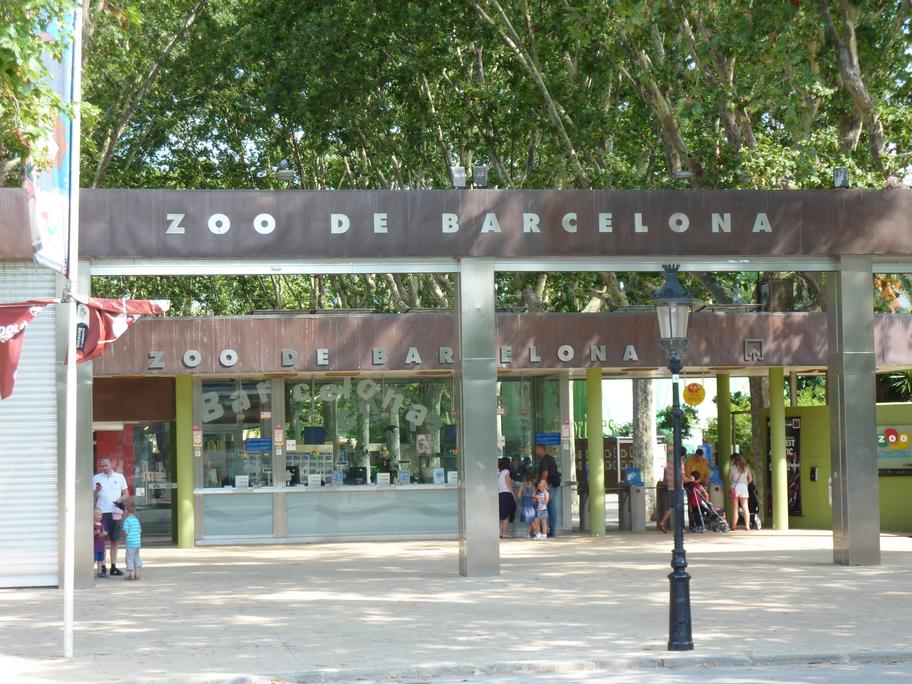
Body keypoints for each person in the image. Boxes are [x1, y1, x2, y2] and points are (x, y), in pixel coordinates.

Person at [92, 457, 129, 576]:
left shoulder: (119, 477)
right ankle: (102, 566)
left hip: (116, 511)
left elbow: (126, 494)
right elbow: (91, 497)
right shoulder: (96, 478)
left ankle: (113, 567)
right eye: (102, 466)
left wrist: (120, 499)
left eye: (106, 465)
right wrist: (96, 491)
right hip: (102, 513)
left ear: (111, 464)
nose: (104, 468)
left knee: (115, 540)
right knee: (101, 540)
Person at [658, 455, 693, 533]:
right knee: (680, 508)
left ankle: (662, 523)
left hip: (671, 487)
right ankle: (681, 528)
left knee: (672, 507)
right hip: (678, 488)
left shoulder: (670, 460)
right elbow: (683, 477)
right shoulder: (680, 463)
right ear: (683, 455)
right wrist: (691, 479)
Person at [535, 444, 560, 538]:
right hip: (552, 484)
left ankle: (548, 530)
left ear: (542, 449)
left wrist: (541, 484)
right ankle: (549, 530)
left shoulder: (545, 459)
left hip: (549, 485)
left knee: (547, 506)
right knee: (549, 506)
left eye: (537, 450)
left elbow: (545, 473)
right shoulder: (549, 458)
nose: (536, 452)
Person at [729, 451, 753, 531]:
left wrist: (734, 482)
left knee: (735, 508)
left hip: (734, 488)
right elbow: (750, 479)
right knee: (745, 507)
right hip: (743, 488)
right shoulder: (746, 467)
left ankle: (734, 526)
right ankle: (747, 526)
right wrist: (745, 483)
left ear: (733, 460)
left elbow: (730, 479)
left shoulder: (732, 468)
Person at [121, 500, 143, 581]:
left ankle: (131, 574)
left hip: (130, 543)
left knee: (129, 558)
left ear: (126, 511)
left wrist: (124, 535)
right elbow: (140, 531)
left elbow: (126, 533)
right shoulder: (136, 520)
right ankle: (137, 574)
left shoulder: (127, 521)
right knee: (136, 557)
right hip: (137, 543)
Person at [498, 457, 516, 538]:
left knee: (503, 515)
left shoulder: (499, 472)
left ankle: (500, 532)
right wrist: (513, 495)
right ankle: (504, 533)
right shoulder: (506, 472)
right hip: (506, 494)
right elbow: (508, 484)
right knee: (507, 515)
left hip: (500, 494)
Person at [518, 472, 536, 539]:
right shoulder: (533, 486)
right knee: (530, 519)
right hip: (531, 503)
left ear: (525, 478)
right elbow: (534, 497)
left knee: (529, 520)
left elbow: (519, 495)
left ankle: (537, 533)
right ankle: (529, 534)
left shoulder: (522, 485)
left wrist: (523, 494)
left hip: (525, 503)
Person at [93, 508, 106, 578]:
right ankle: (91, 572)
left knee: (100, 560)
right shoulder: (93, 525)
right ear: (93, 515)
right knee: (94, 559)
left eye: (100, 515)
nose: (99, 516)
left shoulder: (102, 524)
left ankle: (99, 572)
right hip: (95, 546)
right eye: (97, 515)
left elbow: (104, 532)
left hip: (101, 546)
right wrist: (95, 532)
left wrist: (104, 533)